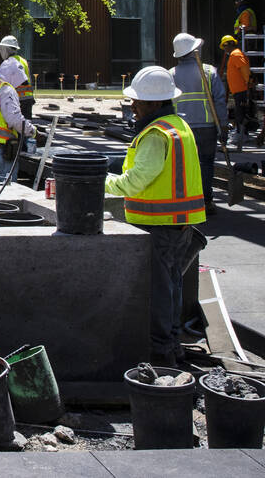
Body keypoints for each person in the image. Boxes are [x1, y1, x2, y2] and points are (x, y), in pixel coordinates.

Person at [105, 66, 206, 367]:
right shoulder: (178, 126)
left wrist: (100, 182)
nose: (132, 106)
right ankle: (172, 347)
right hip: (179, 224)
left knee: (159, 293)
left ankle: (162, 355)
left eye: (137, 101)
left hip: (157, 225)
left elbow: (137, 181)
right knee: (172, 287)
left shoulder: (154, 135)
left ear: (154, 103)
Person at [170, 32, 226, 216]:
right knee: (206, 164)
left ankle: (186, 201)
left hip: (181, 128)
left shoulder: (171, 75)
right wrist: (223, 126)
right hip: (207, 126)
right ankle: (206, 201)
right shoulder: (209, 71)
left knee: (183, 166)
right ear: (194, 51)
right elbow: (219, 100)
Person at [220, 34, 254, 149]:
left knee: (241, 114)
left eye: (224, 47)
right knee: (240, 113)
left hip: (241, 90)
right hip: (239, 90)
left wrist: (248, 84)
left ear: (228, 45)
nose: (224, 49)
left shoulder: (236, 55)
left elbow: (244, 70)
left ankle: (241, 136)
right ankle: (241, 134)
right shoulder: (235, 55)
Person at [0, 35, 34, 119]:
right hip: (28, 98)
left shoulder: (10, 62)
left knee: (18, 127)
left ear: (5, 49)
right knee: (26, 125)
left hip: (18, 100)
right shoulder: (22, 60)